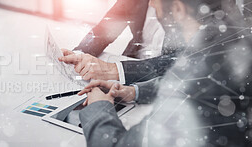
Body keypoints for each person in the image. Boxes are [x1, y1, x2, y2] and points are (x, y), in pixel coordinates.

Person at [77, 0, 252, 146]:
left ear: (178, 9)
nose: (151, 4)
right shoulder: (232, 39)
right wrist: (134, 91)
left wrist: (98, 107)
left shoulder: (191, 79)